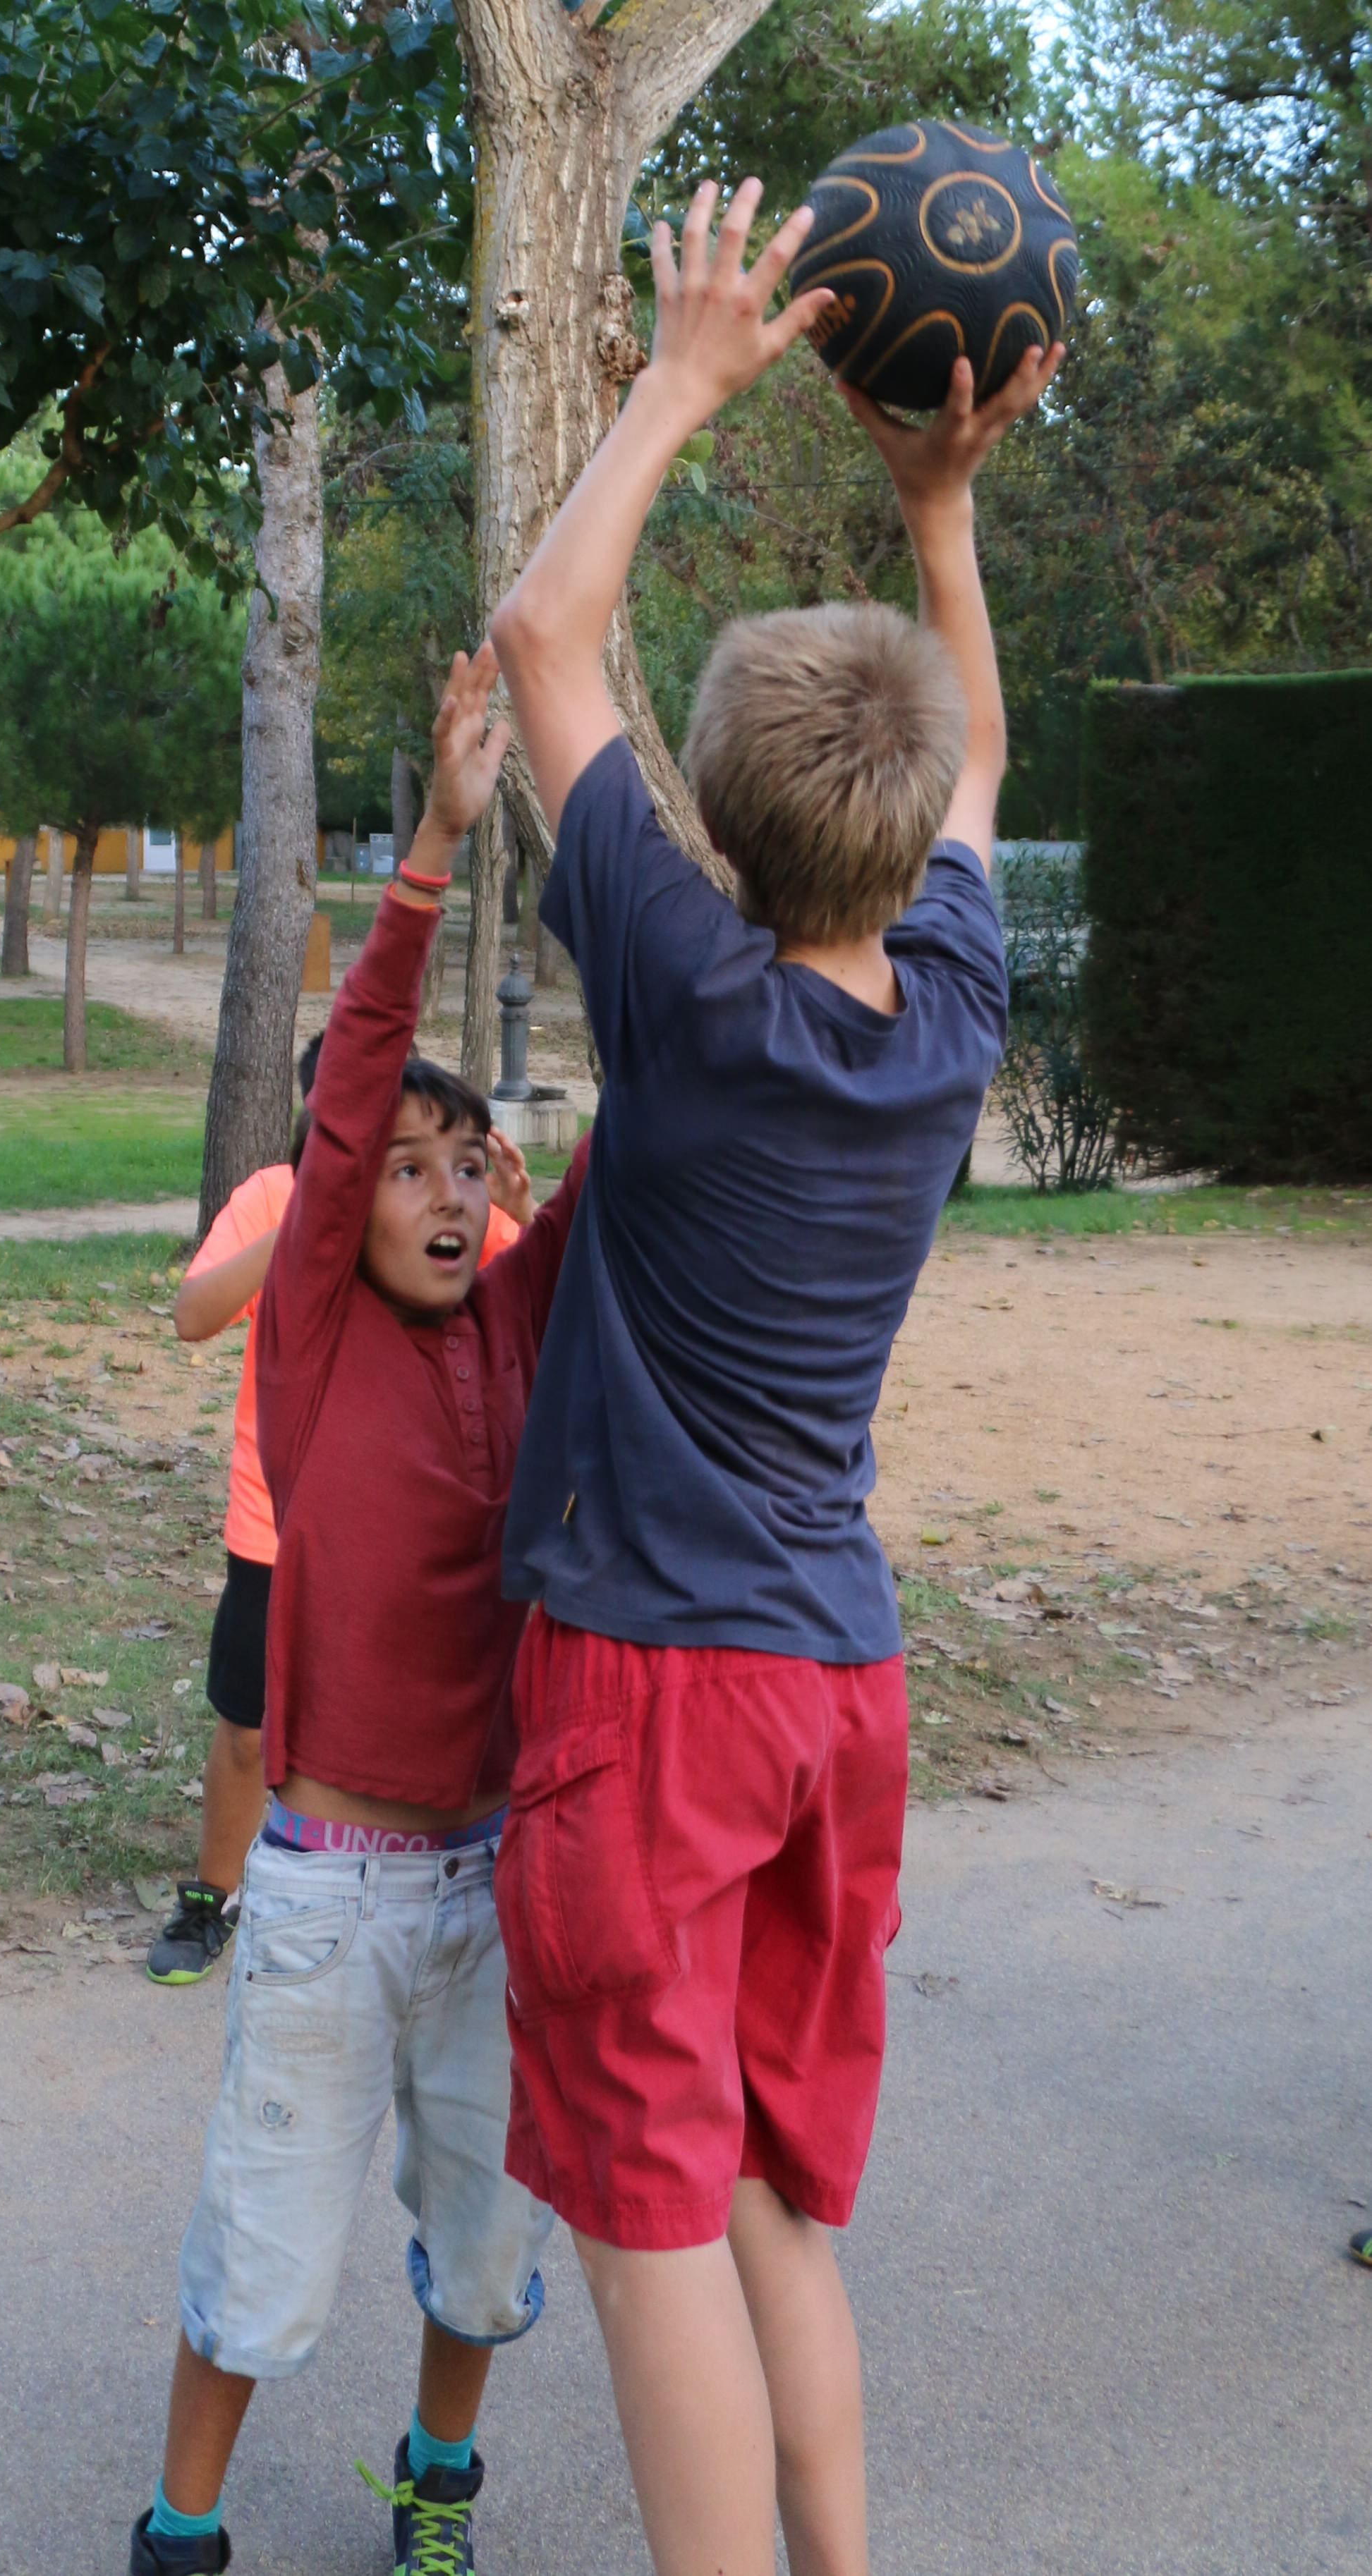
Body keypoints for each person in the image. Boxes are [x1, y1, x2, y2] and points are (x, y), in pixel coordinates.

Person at [486, 177, 1062, 2576]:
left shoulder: (682, 988)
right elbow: (976, 758)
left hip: (656, 1694)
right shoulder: (943, 1018)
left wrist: (681, 379)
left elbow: (542, 627)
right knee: (762, 2200)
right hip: (834, 1680)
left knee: (650, 2230)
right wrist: (940, 512)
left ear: (709, 816)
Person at [130, 644, 589, 2576]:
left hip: (495, 1881)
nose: (434, 1185)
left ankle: (436, 2478)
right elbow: (342, 1117)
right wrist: (430, 854)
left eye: (464, 1162)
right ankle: (182, 2524)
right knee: (260, 2257)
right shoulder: (313, 1333)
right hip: (327, 1891)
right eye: (401, 1165)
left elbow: (632, 1167)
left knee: (484, 2245)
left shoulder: (522, 1314)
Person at [146, 1036, 525, 1985]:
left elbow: (529, 1296)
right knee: (247, 1728)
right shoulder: (274, 1197)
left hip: (408, 1534)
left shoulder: (433, 1203)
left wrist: (520, 1213)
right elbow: (192, 1315)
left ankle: (428, 1896)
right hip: (276, 1525)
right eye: (341, 1121)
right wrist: (311, 1218)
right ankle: (212, 1896)